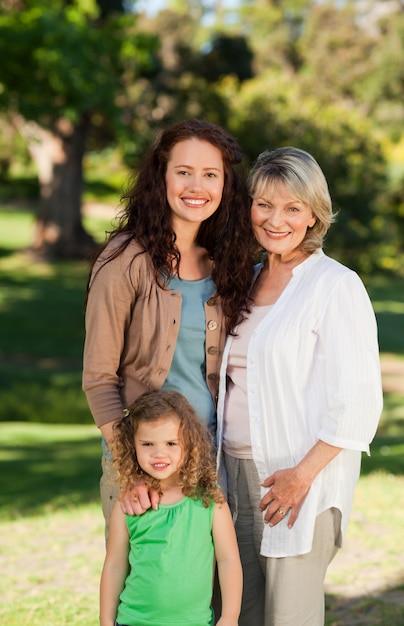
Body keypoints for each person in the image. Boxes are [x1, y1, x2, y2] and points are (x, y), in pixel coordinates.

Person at [216, 147, 383, 626]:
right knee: (238, 611)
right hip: (232, 472)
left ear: (313, 214)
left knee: (289, 617)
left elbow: (358, 403)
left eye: (292, 207)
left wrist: (302, 476)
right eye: (264, 204)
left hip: (297, 481)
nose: (275, 219)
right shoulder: (244, 281)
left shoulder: (336, 286)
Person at [82, 119, 253, 540]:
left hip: (207, 459)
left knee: (204, 592)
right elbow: (98, 379)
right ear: (161, 177)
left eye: (210, 175)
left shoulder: (226, 265)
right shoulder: (124, 261)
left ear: (225, 185)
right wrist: (132, 469)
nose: (197, 186)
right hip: (144, 460)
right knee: (150, 592)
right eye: (184, 172)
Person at [100, 389, 243, 626]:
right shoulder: (130, 506)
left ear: (189, 444)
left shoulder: (210, 501)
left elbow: (228, 560)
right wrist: (105, 620)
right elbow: (115, 565)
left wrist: (230, 617)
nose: (159, 453)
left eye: (171, 443)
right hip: (134, 621)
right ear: (132, 445)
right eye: (147, 443)